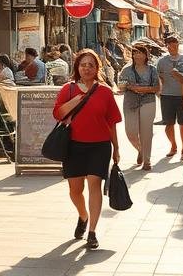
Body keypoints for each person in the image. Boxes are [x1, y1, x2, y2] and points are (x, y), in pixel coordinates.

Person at [52, 49, 122, 250]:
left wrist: (116, 148)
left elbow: (112, 123)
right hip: (73, 145)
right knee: (75, 190)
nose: (87, 68)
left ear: (97, 68)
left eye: (91, 65)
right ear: (77, 67)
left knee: (94, 186)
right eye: (83, 64)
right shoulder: (68, 89)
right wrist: (77, 100)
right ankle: (83, 216)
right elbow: (58, 113)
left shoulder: (105, 92)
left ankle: (92, 231)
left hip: (99, 146)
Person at [118, 44, 160, 171]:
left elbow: (156, 88)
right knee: (130, 132)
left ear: (146, 55)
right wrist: (125, 86)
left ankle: (147, 160)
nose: (137, 55)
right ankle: (140, 150)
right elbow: (121, 85)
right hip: (130, 102)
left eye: (140, 53)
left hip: (148, 101)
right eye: (135, 53)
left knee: (146, 132)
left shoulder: (152, 69)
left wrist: (141, 89)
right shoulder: (126, 70)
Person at [157, 35, 183, 161]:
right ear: (166, 46)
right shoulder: (161, 62)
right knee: (168, 124)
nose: (173, 47)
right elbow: (159, 77)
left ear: (178, 45)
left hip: (182, 96)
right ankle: (173, 146)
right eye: (170, 45)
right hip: (166, 96)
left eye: (175, 44)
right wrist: (159, 91)